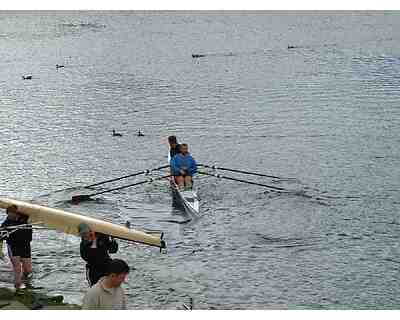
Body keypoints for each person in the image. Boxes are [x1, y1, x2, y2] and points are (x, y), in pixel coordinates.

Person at [0, 205, 33, 290]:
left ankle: (25, 282)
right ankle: (17, 287)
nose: (9, 216)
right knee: (17, 268)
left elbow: (30, 214)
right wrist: (5, 232)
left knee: (28, 270)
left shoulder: (25, 219)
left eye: (11, 214)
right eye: (8, 214)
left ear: (16, 213)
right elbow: (1, 236)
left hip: (25, 246)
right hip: (13, 246)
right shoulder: (7, 223)